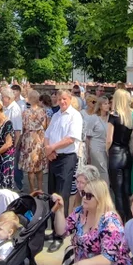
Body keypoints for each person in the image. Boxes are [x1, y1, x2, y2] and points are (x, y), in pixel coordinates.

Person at [45, 90, 83, 219]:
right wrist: (48, 150)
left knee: (62, 195)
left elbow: (71, 139)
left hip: (67, 158)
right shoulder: (56, 115)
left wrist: (52, 148)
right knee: (52, 193)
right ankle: (54, 228)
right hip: (53, 157)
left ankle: (61, 230)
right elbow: (47, 135)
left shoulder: (75, 115)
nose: (62, 101)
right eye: (60, 99)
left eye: (64, 99)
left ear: (70, 99)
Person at [109, 88, 133, 219]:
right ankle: (129, 217)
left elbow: (109, 139)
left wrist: (106, 150)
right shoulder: (129, 117)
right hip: (127, 154)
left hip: (115, 153)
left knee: (117, 191)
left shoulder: (114, 116)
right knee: (126, 190)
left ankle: (121, 219)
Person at [19, 90, 48, 195]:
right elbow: (45, 126)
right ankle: (40, 189)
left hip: (28, 139)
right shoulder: (42, 111)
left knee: (30, 169)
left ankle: (32, 191)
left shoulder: (25, 113)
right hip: (39, 139)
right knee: (39, 167)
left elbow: (23, 126)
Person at [84, 96, 111, 186]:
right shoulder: (94, 118)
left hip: (107, 147)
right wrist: (87, 153)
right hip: (96, 147)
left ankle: (97, 191)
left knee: (101, 171)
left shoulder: (110, 117)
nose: (107, 106)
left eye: (108, 103)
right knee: (103, 171)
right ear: (100, 105)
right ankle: (105, 192)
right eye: (105, 104)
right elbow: (88, 136)